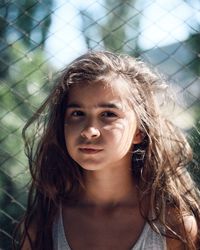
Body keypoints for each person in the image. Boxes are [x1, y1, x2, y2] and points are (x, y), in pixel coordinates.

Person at [14, 51, 200, 250]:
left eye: (108, 114)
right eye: (77, 113)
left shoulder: (173, 227)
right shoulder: (42, 227)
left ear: (139, 131)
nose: (89, 131)